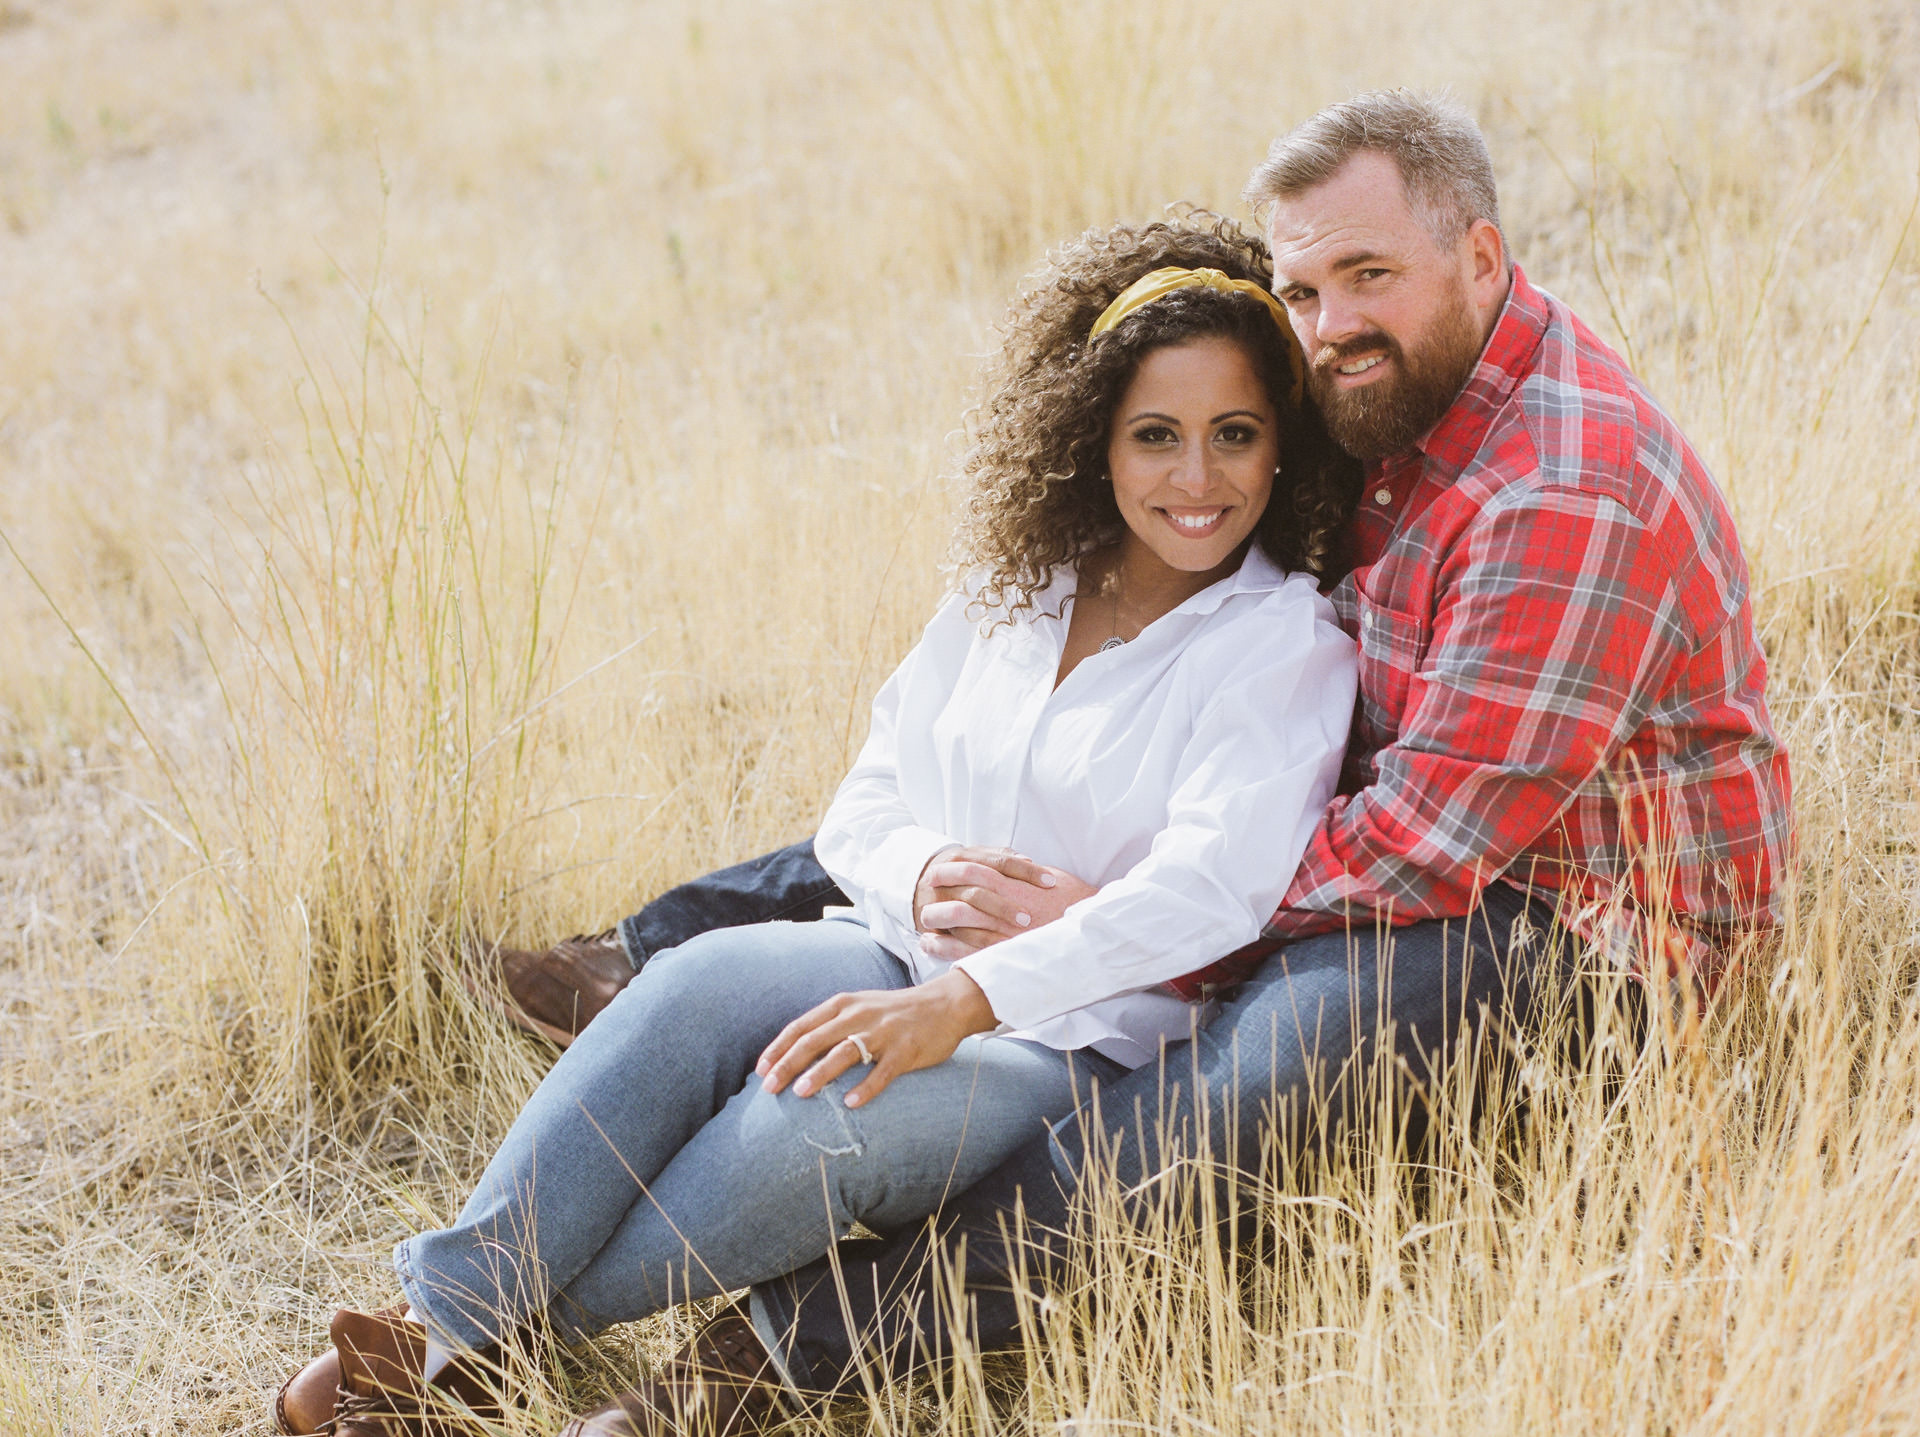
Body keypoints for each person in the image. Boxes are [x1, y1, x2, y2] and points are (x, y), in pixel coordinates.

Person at [465, 88, 1794, 1430]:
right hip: (1399, 809)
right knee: (1020, 786)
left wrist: (1121, 916)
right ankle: (652, 973)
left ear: (1487, 259)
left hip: (1578, 938)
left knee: (1250, 1074)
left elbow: (1421, 849)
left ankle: (769, 1366)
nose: (1332, 328)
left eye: (1370, 277)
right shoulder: (1402, 391)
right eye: (1305, 289)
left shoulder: (1559, 489)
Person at [271, 215, 1362, 1435]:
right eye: (1156, 436)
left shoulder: (1282, 646)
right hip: (893, 946)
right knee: (693, 980)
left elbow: (1215, 890)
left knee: (819, 1114)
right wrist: (923, 872)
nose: (1196, 478)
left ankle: (492, 1341)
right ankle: (441, 1334)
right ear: (1094, 439)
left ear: (1283, 454)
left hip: (1078, 1043)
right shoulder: (1019, 588)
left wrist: (962, 1001)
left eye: (1236, 436)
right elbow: (869, 796)